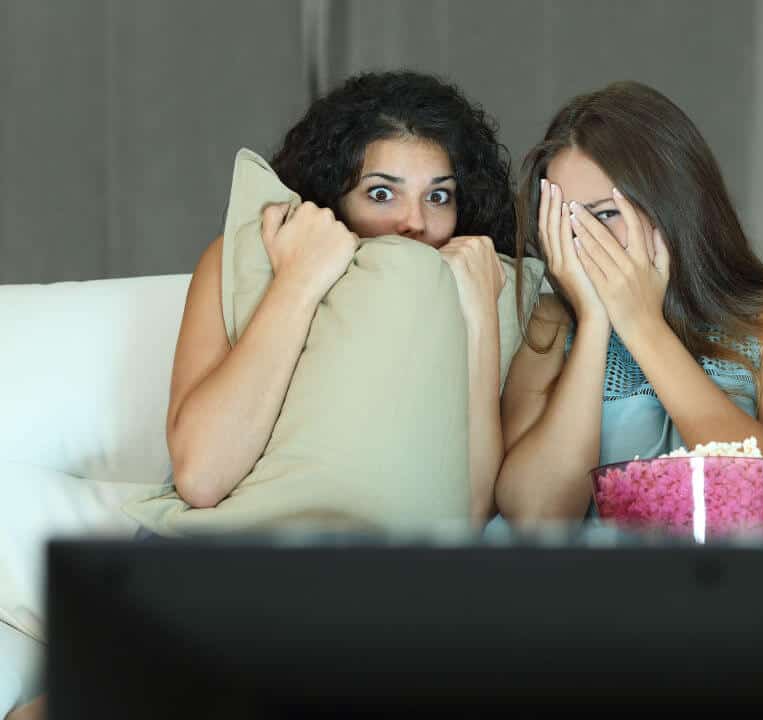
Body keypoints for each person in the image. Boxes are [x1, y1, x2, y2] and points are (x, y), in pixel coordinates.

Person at [493, 81, 763, 528]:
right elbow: (535, 516)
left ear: (672, 204)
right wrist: (594, 324)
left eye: (605, 214)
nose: (587, 242)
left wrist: (642, 325)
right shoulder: (550, 323)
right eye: (566, 221)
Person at [167, 71, 515, 525]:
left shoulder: (482, 285)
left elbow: (468, 516)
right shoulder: (239, 258)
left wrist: (480, 319)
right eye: (382, 193)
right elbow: (201, 476)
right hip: (229, 554)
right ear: (334, 198)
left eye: (438, 195)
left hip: (375, 574)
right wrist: (299, 279)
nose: (414, 221)